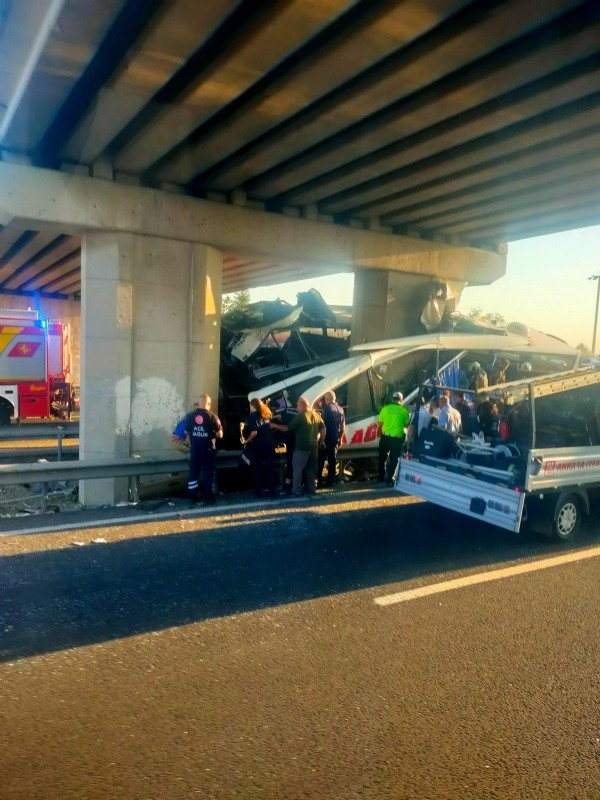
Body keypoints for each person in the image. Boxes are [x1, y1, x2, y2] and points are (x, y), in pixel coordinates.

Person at [270, 396, 325, 497]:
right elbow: (323, 429)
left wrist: (274, 425)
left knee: (297, 470)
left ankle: (296, 490)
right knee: (311, 469)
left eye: (298, 406)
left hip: (301, 447)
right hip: (314, 447)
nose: (296, 408)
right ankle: (312, 489)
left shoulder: (301, 417)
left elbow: (286, 428)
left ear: (302, 405)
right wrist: (321, 441)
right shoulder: (316, 414)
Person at [184, 394, 223, 504]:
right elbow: (220, 434)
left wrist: (194, 438)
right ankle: (208, 498)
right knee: (208, 474)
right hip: (207, 450)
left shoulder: (190, 416)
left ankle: (193, 497)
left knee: (193, 473)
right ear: (209, 403)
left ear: (199, 403)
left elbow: (186, 432)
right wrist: (210, 434)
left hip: (195, 450)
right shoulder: (213, 417)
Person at [244, 397, 277, 498]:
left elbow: (254, 432)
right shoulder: (266, 414)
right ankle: (272, 491)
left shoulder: (252, 417)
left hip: (259, 446)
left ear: (253, 406)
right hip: (270, 444)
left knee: (258, 468)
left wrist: (247, 440)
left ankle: (257, 491)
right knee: (270, 467)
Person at [378, 391, 410, 486]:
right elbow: (406, 424)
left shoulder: (385, 409)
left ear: (392, 399)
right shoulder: (404, 411)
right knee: (394, 459)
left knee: (382, 458)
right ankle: (389, 480)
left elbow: (380, 423)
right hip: (396, 439)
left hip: (385, 437)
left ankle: (380, 477)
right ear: (401, 400)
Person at [318, 389, 345, 487]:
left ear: (327, 399)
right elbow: (343, 427)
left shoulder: (326, 409)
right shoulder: (341, 409)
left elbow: (321, 425)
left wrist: (320, 440)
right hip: (335, 439)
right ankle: (330, 482)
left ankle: (319, 481)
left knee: (320, 460)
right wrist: (340, 439)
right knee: (332, 461)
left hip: (326, 438)